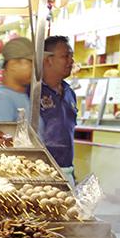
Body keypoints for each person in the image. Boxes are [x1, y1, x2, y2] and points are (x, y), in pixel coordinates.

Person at [39, 35, 77, 183]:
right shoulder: (33, 92)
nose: (71, 61)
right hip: (40, 172)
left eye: (71, 56)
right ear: (48, 60)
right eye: (65, 56)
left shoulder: (69, 92)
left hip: (67, 170)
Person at [0, 37, 34, 122]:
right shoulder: (1, 99)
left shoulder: (21, 96)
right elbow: (0, 130)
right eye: (30, 63)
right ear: (13, 65)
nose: (34, 69)